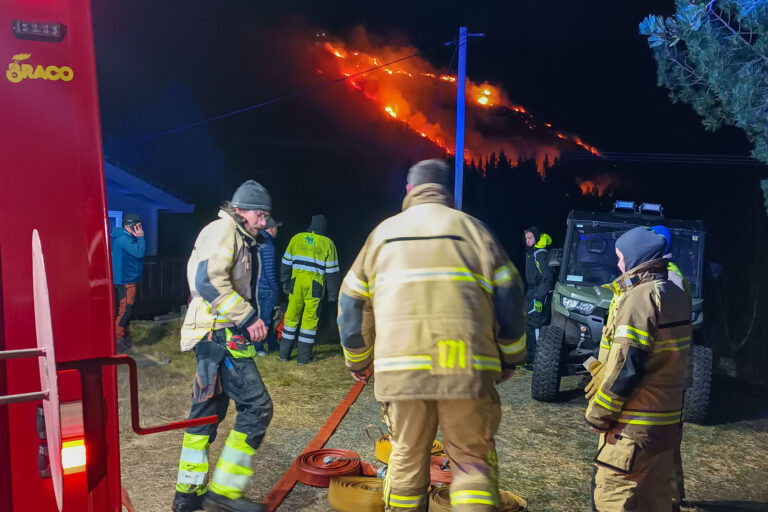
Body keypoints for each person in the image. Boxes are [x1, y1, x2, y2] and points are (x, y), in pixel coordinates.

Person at [338, 159, 527, 511]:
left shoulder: (381, 235)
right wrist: (510, 355)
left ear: (409, 191)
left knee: (407, 457)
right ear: (446, 193)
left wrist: (358, 359)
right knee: (472, 463)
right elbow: (510, 295)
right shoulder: (476, 231)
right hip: (467, 368)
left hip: (401, 371)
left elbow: (351, 304)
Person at [172, 180, 273, 512]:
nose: (264, 221)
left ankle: (188, 496)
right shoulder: (223, 231)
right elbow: (207, 280)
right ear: (240, 210)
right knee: (257, 408)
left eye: (266, 215)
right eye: (260, 214)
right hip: (220, 333)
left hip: (215, 334)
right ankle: (224, 493)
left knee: (204, 417)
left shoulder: (238, 236)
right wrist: (248, 318)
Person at [585, 226, 691, 512]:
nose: (618, 264)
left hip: (632, 431)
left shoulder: (640, 298)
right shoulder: (675, 293)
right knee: (653, 503)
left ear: (636, 257)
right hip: (665, 426)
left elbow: (626, 367)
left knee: (612, 499)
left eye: (621, 257)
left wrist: (599, 415)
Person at [278, 214, 340, 365]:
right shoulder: (327, 243)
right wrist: (333, 295)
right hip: (315, 286)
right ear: (324, 228)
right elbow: (332, 272)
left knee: (291, 317)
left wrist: (285, 282)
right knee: (309, 322)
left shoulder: (296, 238)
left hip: (296, 283)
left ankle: (283, 355)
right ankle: (303, 359)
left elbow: (285, 264)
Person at [111, 213, 146, 353]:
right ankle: (117, 340)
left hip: (129, 279)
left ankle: (124, 337)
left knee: (127, 310)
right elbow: (140, 252)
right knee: (125, 310)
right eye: (139, 226)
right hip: (126, 281)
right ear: (133, 226)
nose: (141, 228)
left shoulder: (126, 238)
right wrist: (141, 237)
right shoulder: (124, 240)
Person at [521, 226, 554, 370]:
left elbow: (547, 278)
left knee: (537, 326)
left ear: (537, 237)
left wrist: (540, 298)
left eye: (531, 238)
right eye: (527, 238)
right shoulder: (531, 252)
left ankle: (538, 362)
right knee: (528, 325)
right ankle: (528, 359)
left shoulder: (540, 253)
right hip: (531, 292)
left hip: (539, 293)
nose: (528, 240)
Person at [254, 216, 281, 356]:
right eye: (276, 227)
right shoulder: (268, 245)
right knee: (264, 320)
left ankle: (272, 345)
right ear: (271, 229)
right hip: (266, 288)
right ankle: (258, 348)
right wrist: (275, 290)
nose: (277, 230)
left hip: (256, 287)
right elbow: (269, 271)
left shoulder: (257, 242)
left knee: (261, 318)